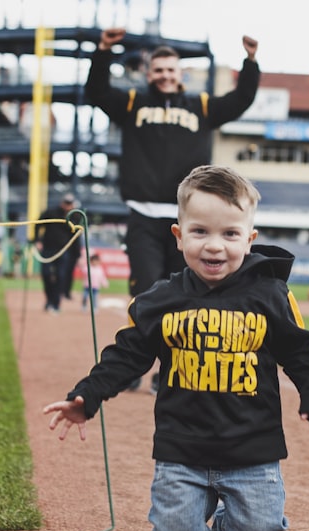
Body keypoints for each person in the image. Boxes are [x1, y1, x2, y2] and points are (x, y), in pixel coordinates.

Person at [43, 165, 309, 531]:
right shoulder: (162, 300)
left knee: (255, 530)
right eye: (200, 231)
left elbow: (302, 352)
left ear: (250, 237)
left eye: (229, 233)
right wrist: (86, 395)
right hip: (181, 449)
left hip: (253, 451)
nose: (214, 245)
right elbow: (126, 356)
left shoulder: (270, 294)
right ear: (178, 236)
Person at [85, 27, 260, 391]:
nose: (165, 75)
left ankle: (170, 372)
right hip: (144, 216)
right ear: (149, 74)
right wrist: (103, 50)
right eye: (158, 70)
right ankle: (131, 368)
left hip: (190, 221)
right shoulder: (133, 103)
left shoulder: (202, 106)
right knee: (147, 292)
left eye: (171, 69)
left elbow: (241, 99)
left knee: (186, 296)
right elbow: (97, 92)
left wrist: (250, 61)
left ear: (181, 73)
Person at [35, 194, 79, 314]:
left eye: (70, 203)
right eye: (66, 203)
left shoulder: (75, 216)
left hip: (65, 251)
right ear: (62, 202)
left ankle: (56, 303)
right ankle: (49, 300)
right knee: (46, 274)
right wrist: (37, 240)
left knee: (61, 276)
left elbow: (77, 236)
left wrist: (78, 254)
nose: (67, 206)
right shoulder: (51, 213)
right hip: (48, 249)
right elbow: (38, 223)